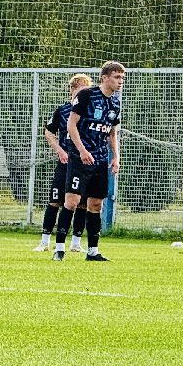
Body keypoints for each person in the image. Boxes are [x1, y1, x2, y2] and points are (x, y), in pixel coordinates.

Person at [53, 61, 123, 262]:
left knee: (95, 205)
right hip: (79, 158)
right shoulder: (86, 95)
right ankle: (59, 249)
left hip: (100, 160)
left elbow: (112, 132)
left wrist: (116, 156)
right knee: (72, 202)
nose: (120, 82)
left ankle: (93, 251)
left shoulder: (115, 103)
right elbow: (71, 125)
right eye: (117, 77)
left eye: (122, 78)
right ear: (105, 78)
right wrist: (82, 150)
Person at [34, 73, 92, 253]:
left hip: (83, 163)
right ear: (73, 90)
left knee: (82, 203)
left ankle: (76, 243)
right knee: (55, 201)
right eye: (82, 90)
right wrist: (59, 150)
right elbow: (49, 132)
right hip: (66, 163)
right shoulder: (63, 110)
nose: (84, 94)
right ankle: (44, 241)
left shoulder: (91, 111)